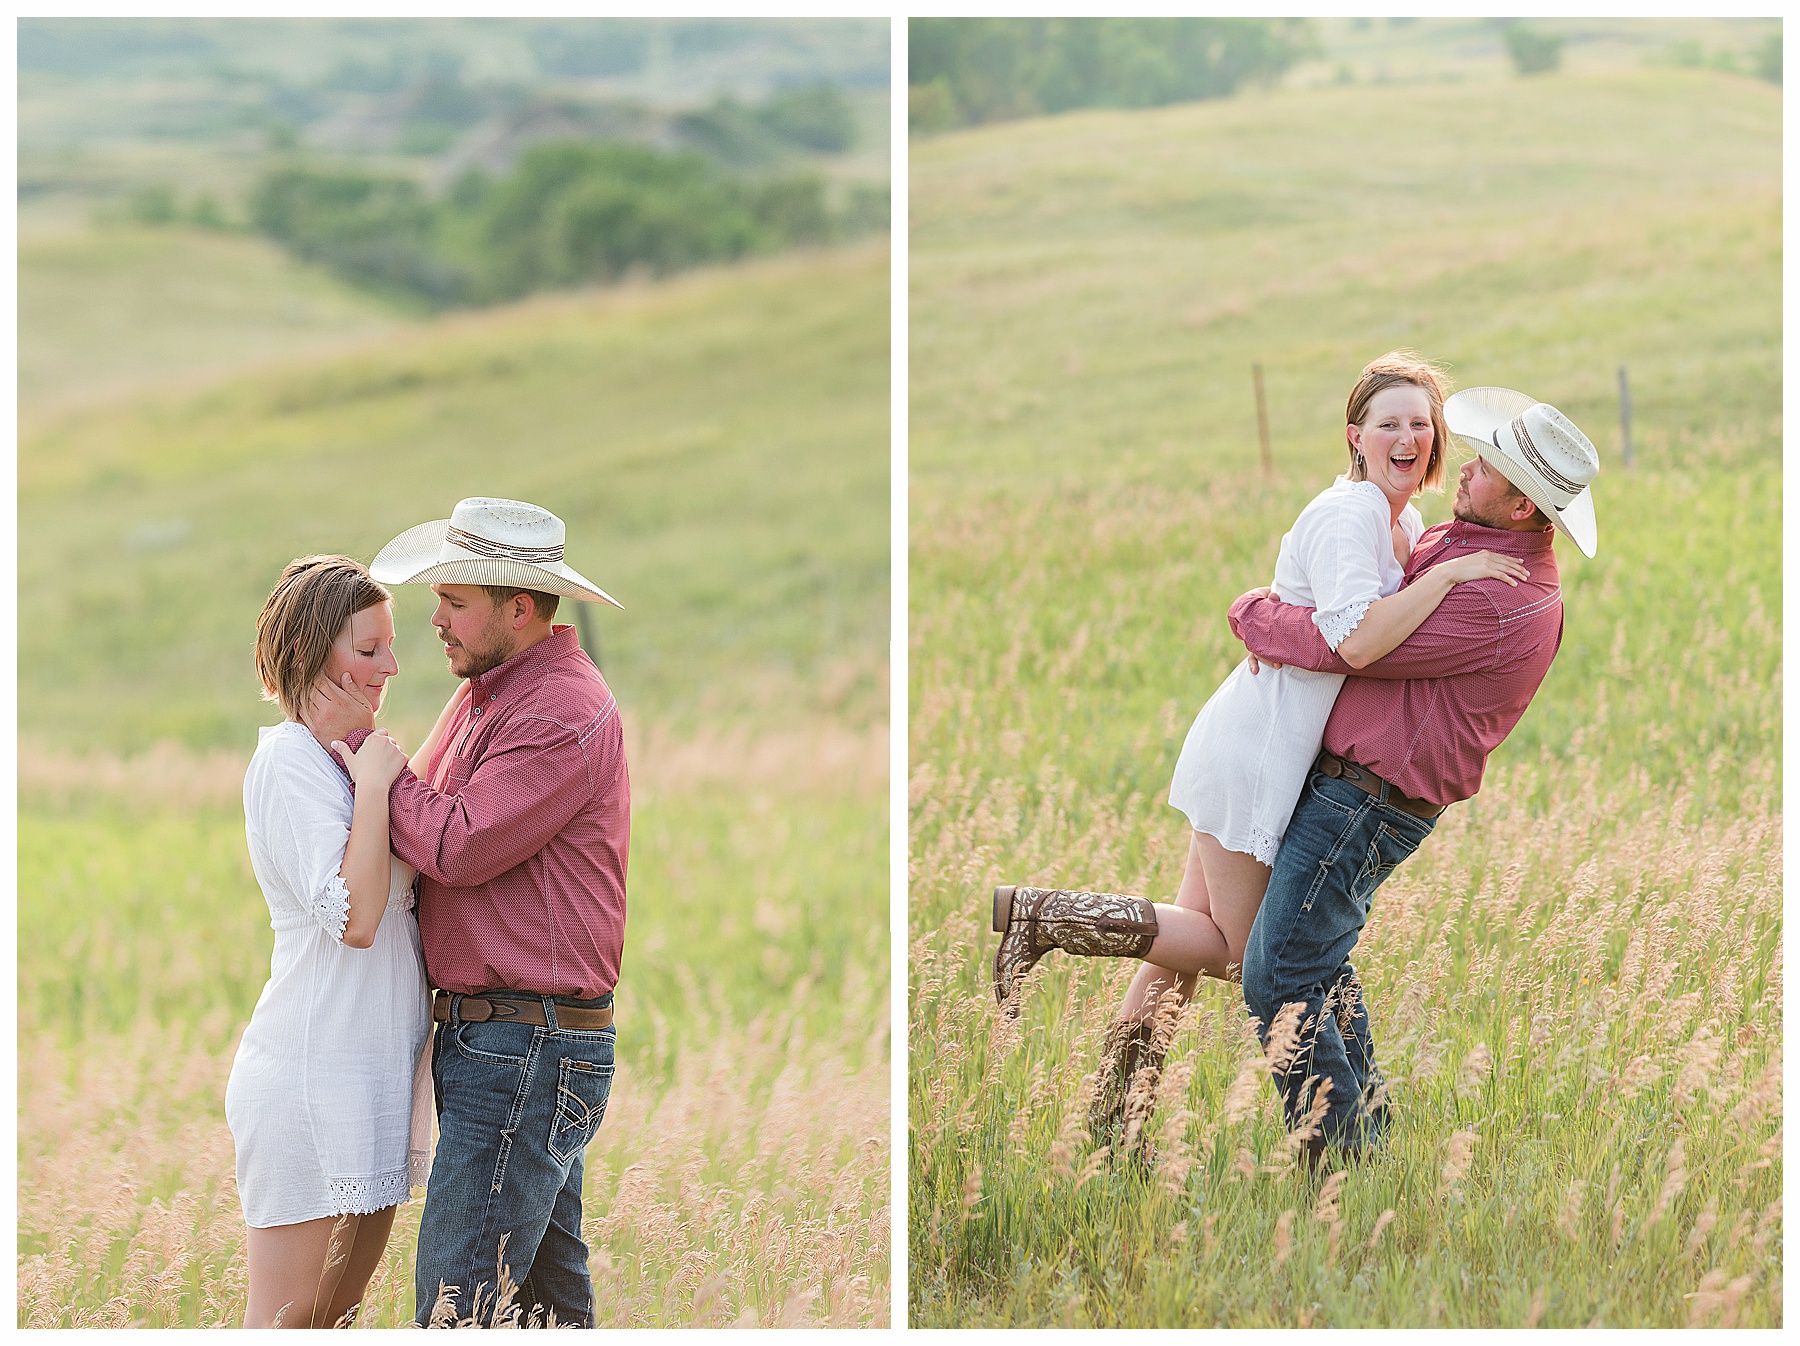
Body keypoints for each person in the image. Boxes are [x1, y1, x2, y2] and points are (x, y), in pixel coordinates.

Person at [990, 354, 1528, 1147]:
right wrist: (1449, 581)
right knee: (1243, 957)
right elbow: (1355, 642)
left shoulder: (1403, 521)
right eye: (1389, 423)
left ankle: (1114, 1124)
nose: (1408, 437)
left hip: (1271, 740)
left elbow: (1313, 611)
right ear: (1357, 437)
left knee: (1183, 941)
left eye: (1422, 423)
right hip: (1259, 745)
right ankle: (1046, 917)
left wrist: (1270, 610)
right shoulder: (1351, 514)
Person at [1226, 385, 1597, 1159]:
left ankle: (1340, 1165)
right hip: (1356, 793)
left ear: (1524, 508)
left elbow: (1355, 644)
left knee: (1278, 979)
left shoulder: (1499, 596)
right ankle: (1371, 1141)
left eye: (1488, 468)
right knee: (1316, 965)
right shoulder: (1464, 546)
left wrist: (1254, 615)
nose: (1463, 467)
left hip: (1367, 802)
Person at [309, 497, 628, 1328]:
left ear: (518, 608)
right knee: (544, 1311)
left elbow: (457, 844)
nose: (436, 621)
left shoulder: (558, 710)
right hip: (511, 1041)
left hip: (526, 1042)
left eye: (455, 601)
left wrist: (355, 745)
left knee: (457, 1306)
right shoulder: (493, 690)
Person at [226, 556, 440, 1328]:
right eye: (370, 647)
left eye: (390, 645)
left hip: (372, 1085)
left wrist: (375, 772)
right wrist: (380, 784)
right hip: (309, 1082)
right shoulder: (288, 763)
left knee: (332, 1327)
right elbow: (354, 919)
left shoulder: (349, 759)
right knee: (283, 1328)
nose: (392, 664)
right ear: (318, 652)